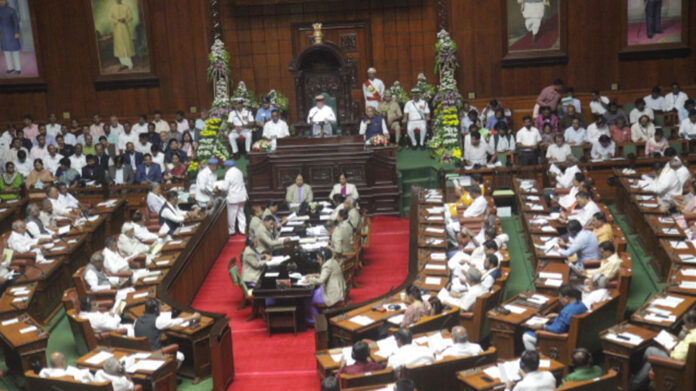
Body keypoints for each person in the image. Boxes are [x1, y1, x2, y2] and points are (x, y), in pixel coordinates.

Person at [630, 309, 696, 390]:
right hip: (685, 362)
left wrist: (666, 348)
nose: (683, 326)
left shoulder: (692, 337)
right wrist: (679, 340)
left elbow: (678, 357)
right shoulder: (693, 333)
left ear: (692, 323)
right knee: (650, 360)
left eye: (685, 323)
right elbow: (686, 348)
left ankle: (634, 384)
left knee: (650, 352)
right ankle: (635, 384)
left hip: (678, 366)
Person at [522, 285, 588, 351]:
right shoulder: (581, 305)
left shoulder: (566, 311)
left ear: (566, 298)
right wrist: (558, 316)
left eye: (560, 297)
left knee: (526, 336)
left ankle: (534, 358)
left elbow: (558, 330)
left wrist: (542, 326)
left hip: (558, 339)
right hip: (575, 338)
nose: (559, 299)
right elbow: (568, 318)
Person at [134, 298, 199, 363]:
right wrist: (193, 317)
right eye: (159, 307)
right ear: (156, 309)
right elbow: (176, 322)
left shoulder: (136, 320)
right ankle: (170, 370)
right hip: (155, 354)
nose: (160, 309)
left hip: (141, 353)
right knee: (181, 356)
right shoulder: (157, 321)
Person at [303, 248, 345, 322]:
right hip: (338, 290)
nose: (318, 261)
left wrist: (309, 280)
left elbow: (321, 281)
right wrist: (314, 275)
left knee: (310, 299)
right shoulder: (332, 261)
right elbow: (327, 275)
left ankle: (315, 321)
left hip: (333, 294)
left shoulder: (326, 266)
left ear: (324, 258)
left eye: (319, 259)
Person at [221, 160, 247, 235]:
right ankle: (242, 230)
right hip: (242, 196)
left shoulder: (228, 173)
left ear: (227, 167)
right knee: (241, 213)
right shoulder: (239, 171)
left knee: (231, 215)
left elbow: (225, 188)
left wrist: (220, 187)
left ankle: (232, 231)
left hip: (233, 198)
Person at [109, 0, 135, 71]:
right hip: (117, 29)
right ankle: (123, 63)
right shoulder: (112, 8)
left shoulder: (126, 7)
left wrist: (125, 19)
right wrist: (117, 20)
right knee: (119, 46)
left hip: (124, 28)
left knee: (126, 45)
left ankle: (129, 64)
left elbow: (131, 17)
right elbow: (110, 18)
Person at [0, 0, 22, 75]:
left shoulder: (11, 10)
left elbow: (16, 22)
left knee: (15, 52)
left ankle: (18, 69)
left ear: (5, 1)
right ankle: (10, 68)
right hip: (3, 35)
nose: (1, 2)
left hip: (12, 34)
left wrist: (16, 32)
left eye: (2, 0)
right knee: (6, 53)